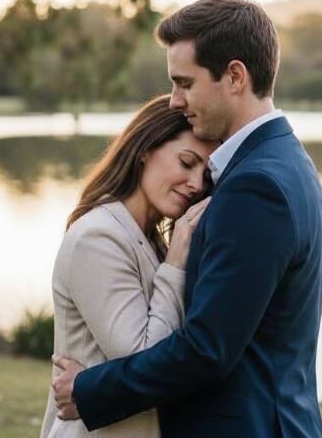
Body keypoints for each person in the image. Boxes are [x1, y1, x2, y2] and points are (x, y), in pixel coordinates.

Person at [51, 0, 322, 438]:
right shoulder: (281, 163)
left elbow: (206, 349)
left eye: (185, 83)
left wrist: (88, 390)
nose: (175, 101)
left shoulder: (256, 186)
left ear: (234, 76)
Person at [40, 94, 218, 438]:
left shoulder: (146, 238)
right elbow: (145, 356)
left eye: (205, 176)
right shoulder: (99, 238)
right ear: (145, 149)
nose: (196, 184)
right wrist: (177, 261)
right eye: (186, 162)